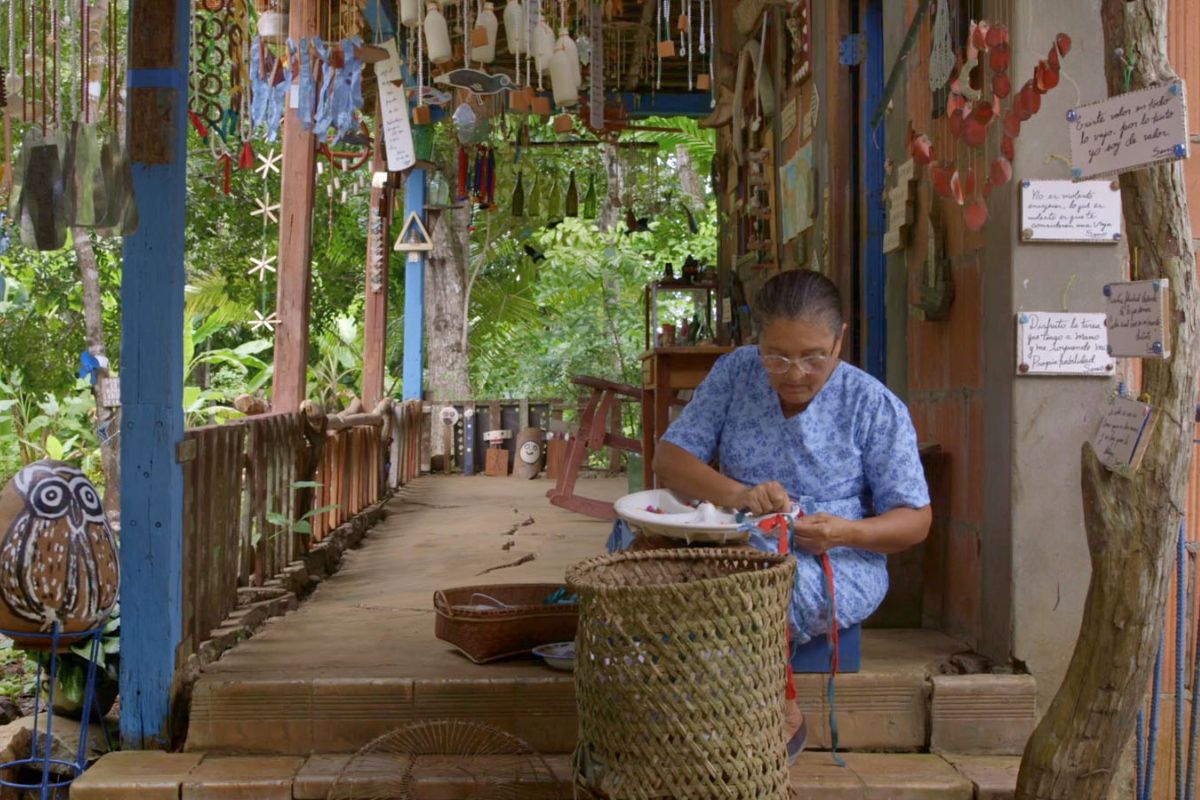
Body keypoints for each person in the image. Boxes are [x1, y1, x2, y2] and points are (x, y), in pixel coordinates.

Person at [652, 268, 932, 757]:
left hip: (835, 559)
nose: (795, 373)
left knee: (757, 592)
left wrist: (843, 532)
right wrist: (740, 495)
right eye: (777, 357)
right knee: (635, 547)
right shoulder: (737, 372)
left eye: (812, 358)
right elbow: (669, 461)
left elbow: (915, 520)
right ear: (756, 343)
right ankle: (655, 692)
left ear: (839, 341)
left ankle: (756, 708)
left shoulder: (871, 405)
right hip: (736, 537)